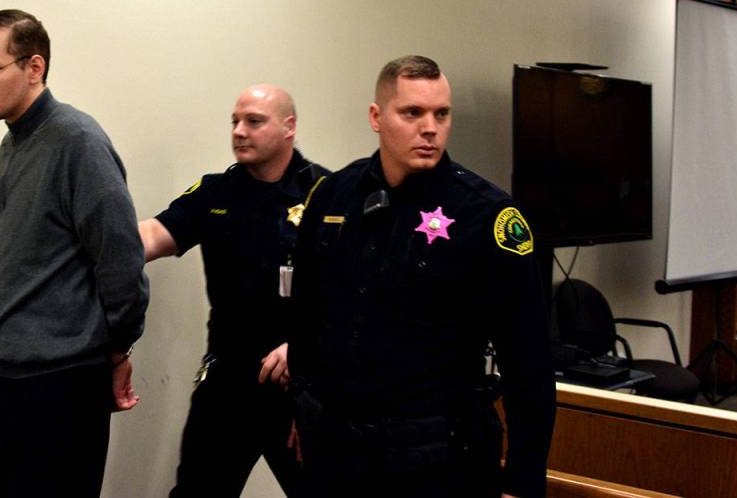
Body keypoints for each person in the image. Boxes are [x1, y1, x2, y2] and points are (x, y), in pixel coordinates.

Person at [289, 56, 555, 498]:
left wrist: (524, 480)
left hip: (437, 458)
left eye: (441, 114)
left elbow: (527, 361)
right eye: (412, 113)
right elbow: (306, 315)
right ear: (377, 117)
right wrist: (301, 411)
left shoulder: (485, 215)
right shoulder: (335, 195)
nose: (430, 128)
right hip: (337, 453)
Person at [0, 9, 149, 497]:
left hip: (59, 385)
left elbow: (121, 259)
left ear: (34, 68)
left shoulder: (77, 141)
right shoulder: (14, 142)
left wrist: (119, 348)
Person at [139, 84, 330, 497]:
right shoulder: (216, 192)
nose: (240, 131)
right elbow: (150, 237)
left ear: (289, 127)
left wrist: (306, 346)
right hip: (228, 382)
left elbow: (360, 293)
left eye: (254, 121)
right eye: (235, 122)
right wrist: (84, 244)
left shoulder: (328, 195)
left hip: (300, 384)